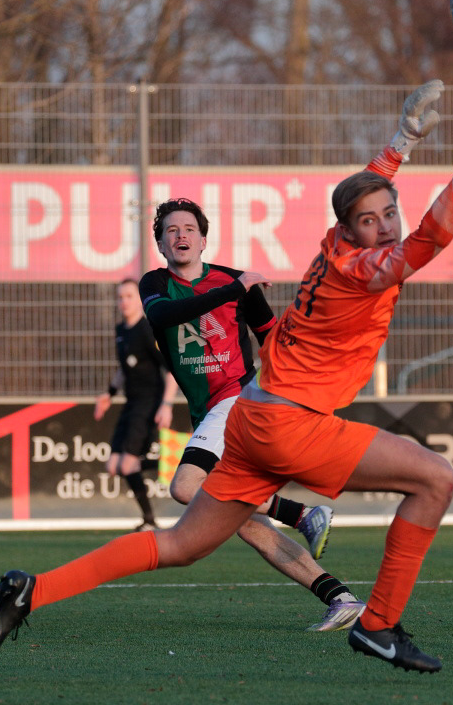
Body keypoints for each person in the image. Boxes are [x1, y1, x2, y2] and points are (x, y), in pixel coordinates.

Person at [0, 80, 453, 674]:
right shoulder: (366, 269)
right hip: (290, 424)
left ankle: (32, 591)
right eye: (370, 220)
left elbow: (365, 196)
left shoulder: (335, 242)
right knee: (436, 479)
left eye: (390, 215)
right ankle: (378, 626)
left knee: (180, 544)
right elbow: (430, 237)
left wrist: (401, 141)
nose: (384, 226)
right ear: (349, 228)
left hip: (251, 417)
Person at [138, 197, 363, 629]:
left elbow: (274, 340)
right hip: (208, 412)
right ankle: (340, 598)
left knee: (186, 486)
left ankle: (301, 514)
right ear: (162, 245)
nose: (181, 235)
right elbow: (165, 315)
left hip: (239, 400)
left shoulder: (234, 281)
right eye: (171, 231)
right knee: (246, 523)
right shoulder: (157, 284)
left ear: (203, 241)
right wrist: (234, 289)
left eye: (189, 229)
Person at [94, 278, 179, 531]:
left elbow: (171, 370)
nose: (124, 302)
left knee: (127, 464)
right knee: (113, 466)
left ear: (140, 301)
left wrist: (166, 404)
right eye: (120, 297)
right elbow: (124, 368)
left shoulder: (147, 330)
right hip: (131, 403)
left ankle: (149, 521)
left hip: (148, 403)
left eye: (129, 296)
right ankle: (173, 463)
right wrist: (109, 394)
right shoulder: (122, 330)